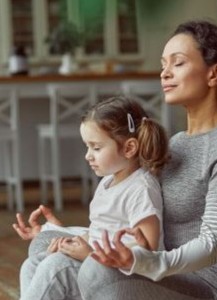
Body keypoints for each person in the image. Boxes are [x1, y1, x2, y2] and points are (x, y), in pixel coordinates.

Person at [15, 19, 217, 300]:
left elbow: (215, 243)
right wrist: (62, 231)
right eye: (163, 64)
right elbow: (127, 211)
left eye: (177, 63)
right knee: (41, 257)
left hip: (208, 288)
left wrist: (141, 262)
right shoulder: (175, 144)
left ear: (215, 73)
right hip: (160, 272)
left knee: (97, 270)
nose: (164, 73)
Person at [13, 96, 169, 300]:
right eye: (88, 147)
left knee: (55, 267)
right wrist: (65, 240)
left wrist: (91, 255)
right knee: (32, 264)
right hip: (97, 262)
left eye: (96, 148)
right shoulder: (107, 182)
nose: (88, 155)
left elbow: (149, 246)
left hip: (125, 275)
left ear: (129, 148)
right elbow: (98, 231)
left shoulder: (141, 188)